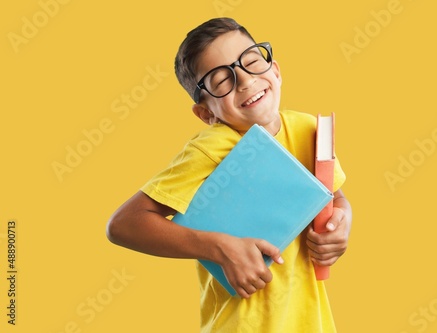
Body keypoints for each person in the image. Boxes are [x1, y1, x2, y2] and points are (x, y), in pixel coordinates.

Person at [106, 17, 353, 332]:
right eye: (221, 80)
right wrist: (216, 246)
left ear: (275, 70)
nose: (245, 81)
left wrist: (342, 222)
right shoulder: (213, 147)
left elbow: (335, 196)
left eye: (251, 61)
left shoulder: (311, 130)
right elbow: (124, 224)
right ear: (206, 112)